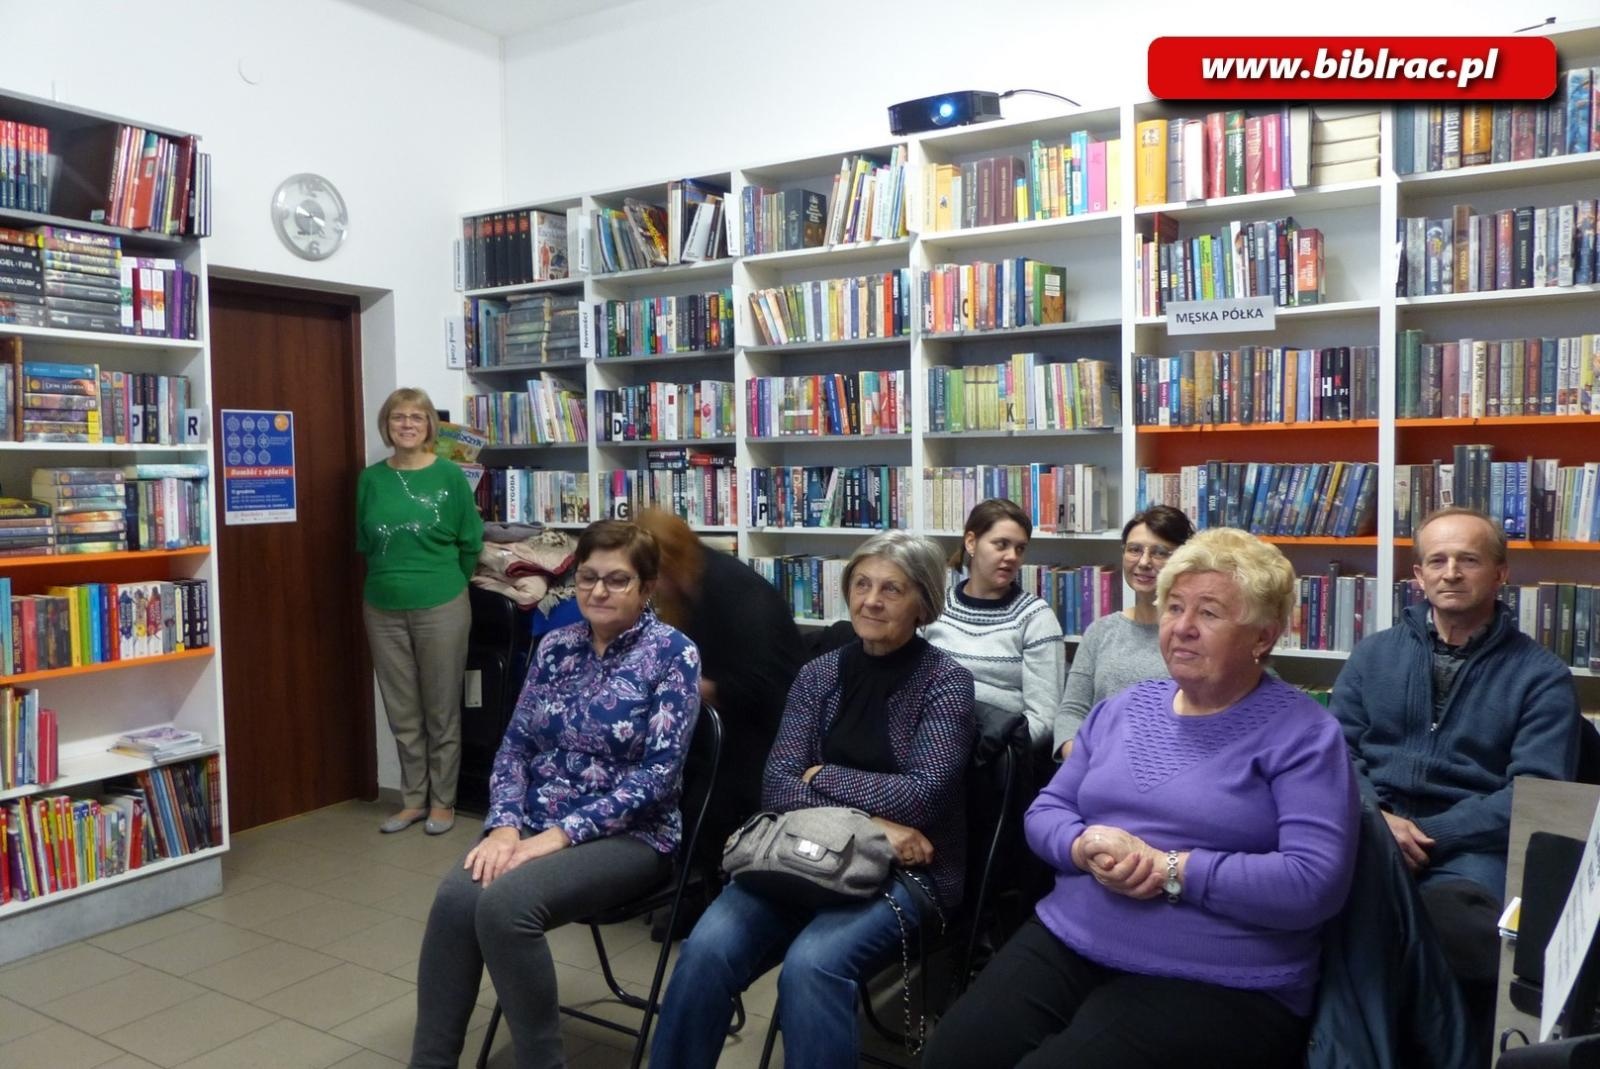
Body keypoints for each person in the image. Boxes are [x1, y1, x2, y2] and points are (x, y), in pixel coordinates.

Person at [925, 528, 1360, 1069]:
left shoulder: (1304, 733)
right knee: (951, 1055)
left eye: (1209, 613)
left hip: (1223, 975)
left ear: (1263, 637)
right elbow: (1046, 812)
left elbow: (1313, 883)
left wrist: (1171, 868)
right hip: (1075, 934)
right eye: (1174, 607)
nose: (1182, 627)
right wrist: (1081, 845)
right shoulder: (1123, 709)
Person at [649, 530, 976, 1069]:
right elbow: (777, 785)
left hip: (908, 872)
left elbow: (922, 798)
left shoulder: (947, 683)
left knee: (812, 965)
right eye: (862, 584)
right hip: (801, 856)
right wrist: (877, 822)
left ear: (923, 604)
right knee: (705, 950)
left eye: (891, 589)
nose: (871, 601)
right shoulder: (818, 673)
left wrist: (823, 774)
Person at [409, 520, 701, 1068]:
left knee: (506, 907)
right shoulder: (556, 646)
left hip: (632, 837)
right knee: (455, 900)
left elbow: (658, 778)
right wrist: (504, 825)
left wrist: (558, 837)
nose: (598, 591)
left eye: (617, 580)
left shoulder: (672, 654)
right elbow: (515, 747)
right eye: (588, 577)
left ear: (646, 587)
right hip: (534, 823)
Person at [1329, 506, 1579, 1054]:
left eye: (1468, 560)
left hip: (1470, 852)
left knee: (1455, 936)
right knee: (1313, 916)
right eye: (1437, 561)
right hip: (1369, 832)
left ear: (1500, 573)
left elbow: (1534, 792)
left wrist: (1426, 834)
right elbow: (1333, 755)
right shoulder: (1373, 656)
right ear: (1418, 576)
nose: (1451, 573)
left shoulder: (1541, 677)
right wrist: (1377, 820)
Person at [633, 509, 803, 857]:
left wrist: (681, 685)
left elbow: (759, 686)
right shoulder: (691, 585)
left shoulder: (732, 588)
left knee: (684, 786)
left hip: (764, 727)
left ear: (669, 563)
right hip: (723, 715)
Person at [357, 387, 484, 835]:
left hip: (442, 603)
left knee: (441, 708)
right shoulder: (370, 480)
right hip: (382, 607)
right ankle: (413, 800)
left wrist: (447, 585)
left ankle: (443, 801)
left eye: (416, 417)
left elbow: (471, 543)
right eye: (398, 417)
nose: (407, 425)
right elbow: (365, 544)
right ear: (386, 425)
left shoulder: (450, 476)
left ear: (430, 425)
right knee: (402, 710)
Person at [1053, 504, 1194, 760]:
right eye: (1134, 550)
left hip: (1169, 767)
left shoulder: (1194, 636)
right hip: (1095, 765)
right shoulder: (1100, 632)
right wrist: (1080, 760)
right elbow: (1072, 712)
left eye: (1160, 552)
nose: (1144, 562)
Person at [924, 498, 1064, 748]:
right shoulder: (935, 606)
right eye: (1001, 545)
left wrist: (995, 752)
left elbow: (1044, 718)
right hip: (931, 739)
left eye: (1020, 548)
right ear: (971, 542)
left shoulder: (1035, 617)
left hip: (996, 751)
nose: (1012, 557)